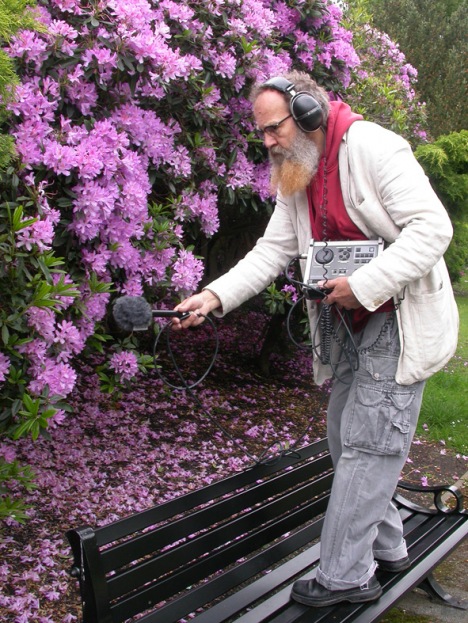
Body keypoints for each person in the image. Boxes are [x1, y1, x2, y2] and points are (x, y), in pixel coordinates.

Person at [172, 70, 459, 607]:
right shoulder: (296, 173)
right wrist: (212, 298)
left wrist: (365, 284)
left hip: (399, 317)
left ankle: (345, 578)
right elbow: (270, 251)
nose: (268, 142)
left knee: (371, 443)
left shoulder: (376, 148)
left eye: (273, 129)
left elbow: (432, 229)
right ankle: (390, 544)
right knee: (341, 433)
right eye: (261, 133)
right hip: (347, 325)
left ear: (307, 113)